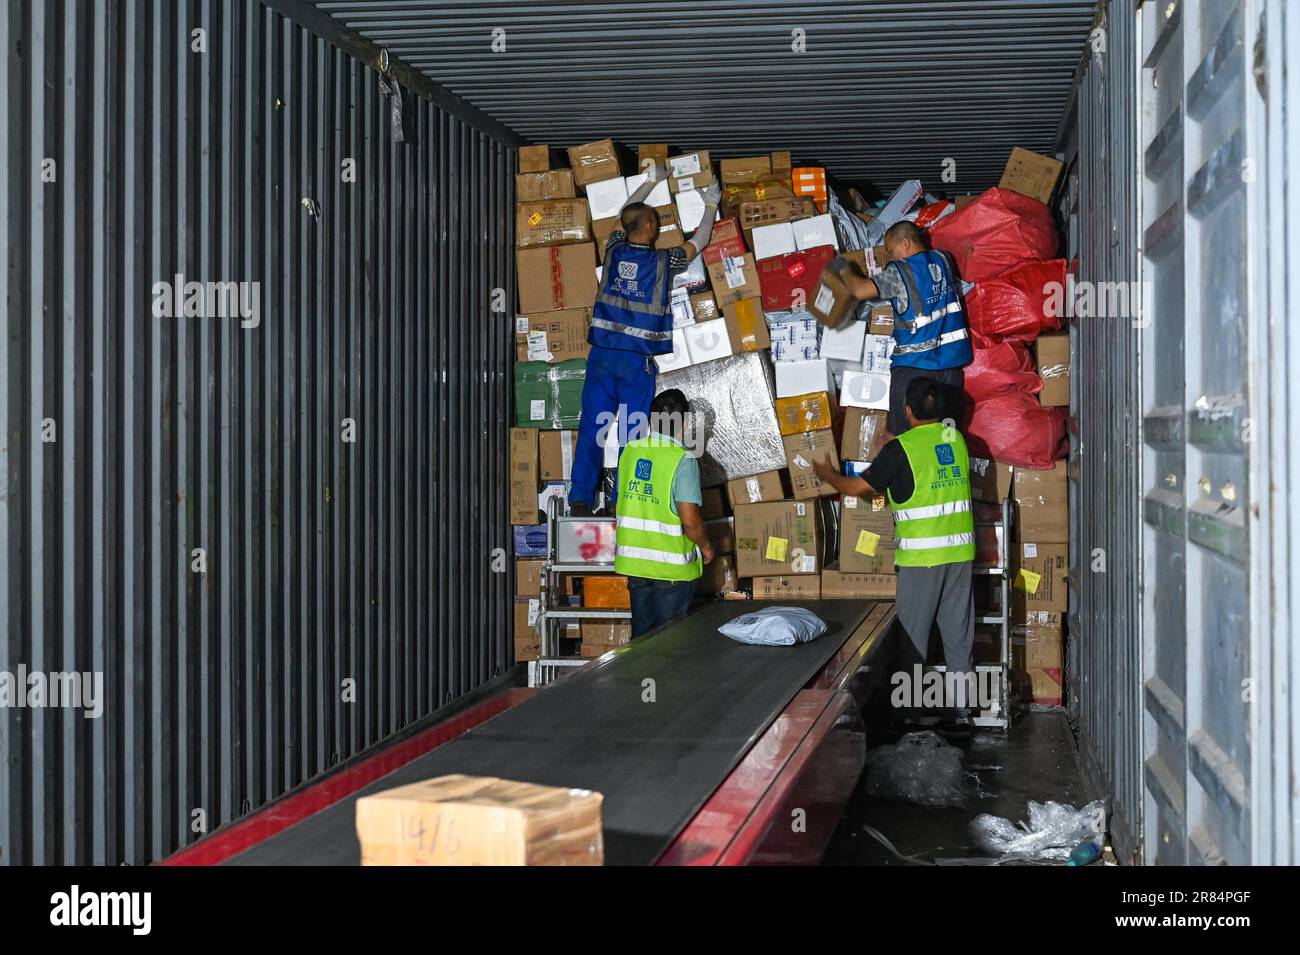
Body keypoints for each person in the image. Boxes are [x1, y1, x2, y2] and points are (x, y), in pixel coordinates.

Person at [813, 376, 975, 723]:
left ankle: (911, 712)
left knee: (913, 638)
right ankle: (963, 711)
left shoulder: (899, 451)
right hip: (959, 556)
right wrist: (891, 447)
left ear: (906, 410)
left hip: (922, 559)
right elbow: (924, 460)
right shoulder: (955, 439)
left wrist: (826, 474)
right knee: (958, 635)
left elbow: (857, 487)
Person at [568, 167, 722, 516]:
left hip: (602, 357)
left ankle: (580, 498)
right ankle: (621, 498)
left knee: (592, 425)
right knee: (631, 432)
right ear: (651, 228)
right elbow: (701, 242)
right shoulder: (664, 262)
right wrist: (711, 205)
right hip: (634, 362)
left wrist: (651, 182)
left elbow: (625, 212)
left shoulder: (613, 252)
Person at [826, 220, 972, 435]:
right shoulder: (944, 259)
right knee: (947, 438)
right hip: (951, 370)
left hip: (915, 371)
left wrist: (842, 265)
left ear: (905, 243)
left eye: (891, 250)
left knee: (905, 439)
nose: (891, 257)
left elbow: (858, 290)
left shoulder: (900, 272)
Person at [613, 389, 714, 638]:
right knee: (668, 644)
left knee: (642, 642)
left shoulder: (630, 451)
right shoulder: (683, 460)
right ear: (685, 422)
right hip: (671, 571)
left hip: (635, 564)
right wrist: (707, 546)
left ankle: (638, 678)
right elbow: (690, 521)